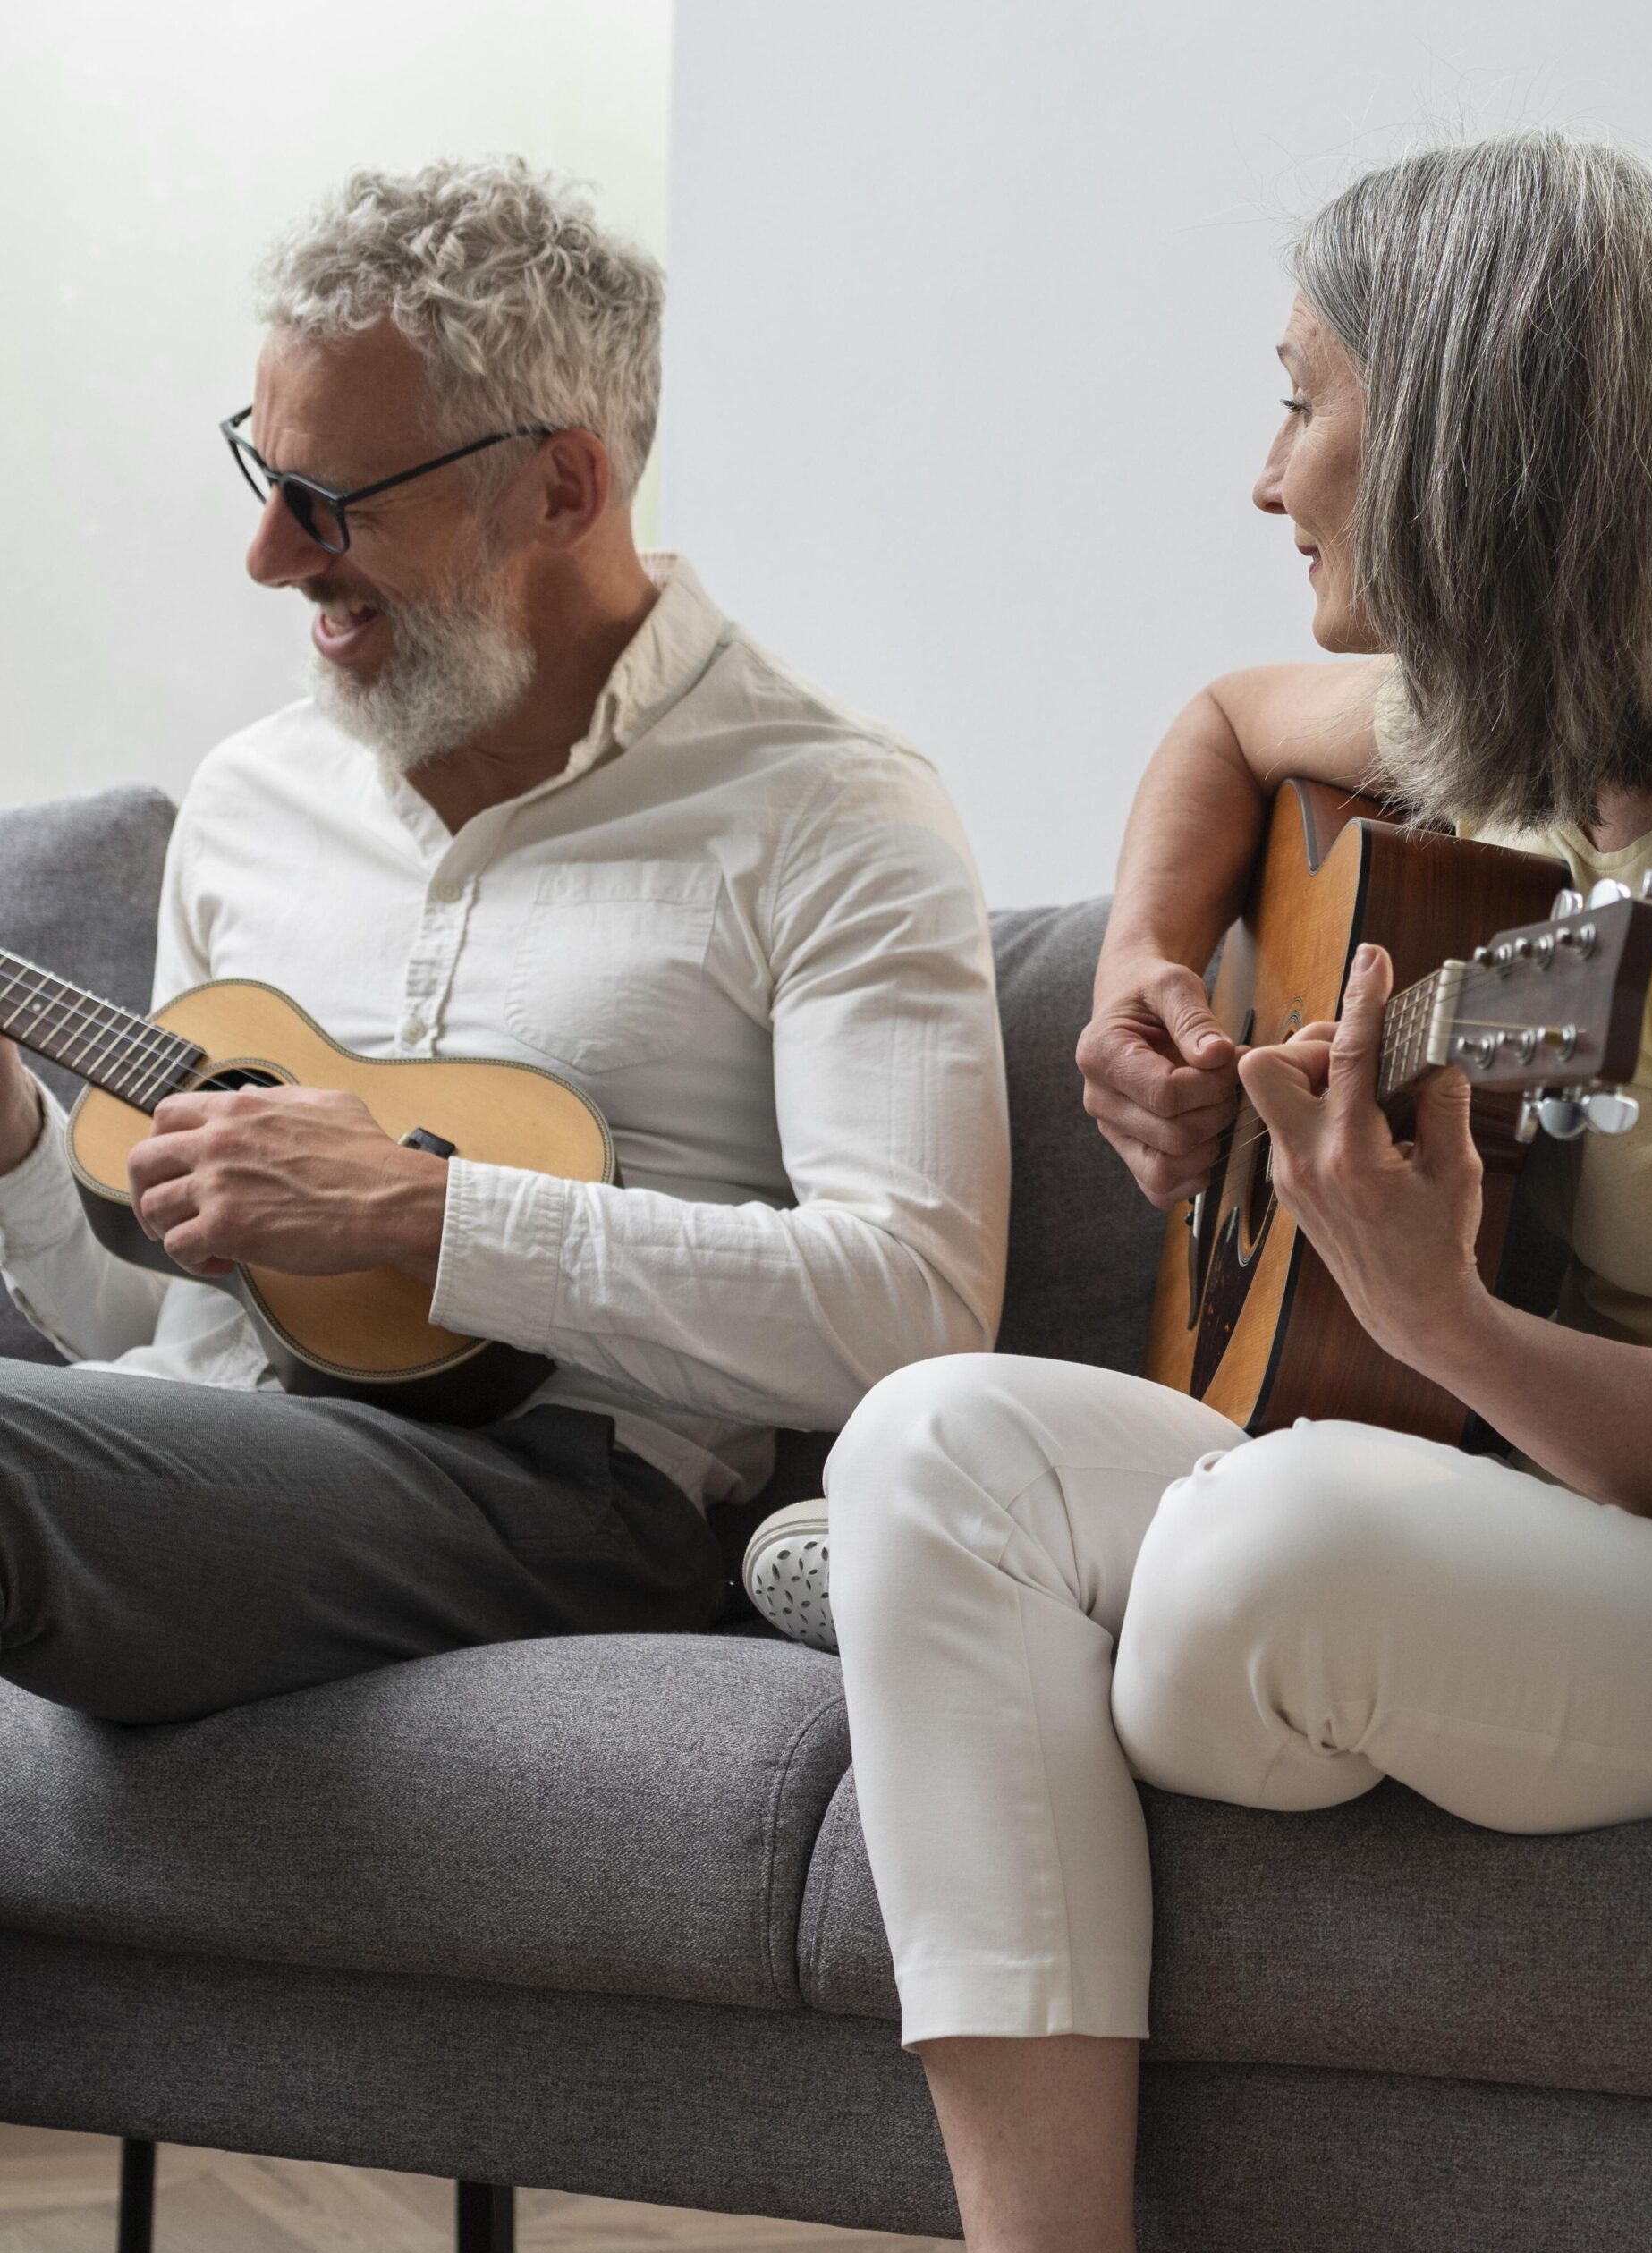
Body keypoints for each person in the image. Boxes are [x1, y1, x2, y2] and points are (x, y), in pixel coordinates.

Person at [745, 131, 1652, 2253]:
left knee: (1246, 1554)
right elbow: (1214, 720)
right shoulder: (1524, 732)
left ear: (1457, 433)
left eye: (1301, 400)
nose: (1264, 476)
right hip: (1489, 1515)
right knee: (928, 1431)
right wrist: (1139, 988)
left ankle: (990, 1625)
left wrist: (1436, 1313)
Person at [0, 157, 1008, 1729]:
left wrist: (427, 1208)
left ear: (562, 487)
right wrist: (14, 1150)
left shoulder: (828, 809)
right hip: (210, 1473)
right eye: (259, 475)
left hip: (561, 1496)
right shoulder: (255, 796)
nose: (269, 557)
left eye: (333, 501)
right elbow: (167, 1333)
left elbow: (913, 1306)